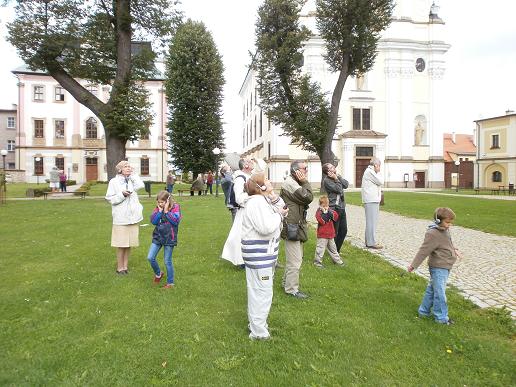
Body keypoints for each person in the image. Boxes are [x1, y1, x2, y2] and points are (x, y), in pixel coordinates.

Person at [241, 172, 288, 340]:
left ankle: (257, 326)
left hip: (261, 256)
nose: (270, 181)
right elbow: (267, 227)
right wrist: (279, 215)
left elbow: (281, 208)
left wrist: (273, 197)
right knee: (262, 294)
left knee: (258, 292)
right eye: (267, 180)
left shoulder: (262, 201)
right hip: (260, 257)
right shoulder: (257, 203)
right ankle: (259, 332)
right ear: (259, 186)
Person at [408, 207, 462, 325]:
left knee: (432, 290)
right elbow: (424, 251)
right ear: (438, 221)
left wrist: (454, 249)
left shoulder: (444, 229)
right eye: (447, 222)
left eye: (451, 222)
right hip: (439, 267)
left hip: (445, 266)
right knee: (440, 293)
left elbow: (446, 243)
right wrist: (414, 265)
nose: (450, 225)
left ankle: (423, 311)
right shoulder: (433, 233)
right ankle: (441, 318)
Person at [280, 160, 313, 299]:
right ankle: (291, 289)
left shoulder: (294, 182)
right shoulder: (291, 184)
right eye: (304, 168)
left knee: (294, 258)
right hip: (292, 225)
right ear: (296, 171)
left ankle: (285, 283)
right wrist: (305, 182)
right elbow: (308, 197)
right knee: (295, 261)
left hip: (295, 224)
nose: (306, 170)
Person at [105, 160, 144, 274]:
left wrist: (133, 175)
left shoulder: (132, 180)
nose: (128, 168)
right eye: (126, 166)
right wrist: (122, 194)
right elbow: (110, 198)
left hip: (133, 217)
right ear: (120, 169)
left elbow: (140, 185)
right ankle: (120, 268)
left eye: (129, 166)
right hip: (121, 218)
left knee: (129, 244)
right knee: (121, 244)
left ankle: (125, 267)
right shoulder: (114, 182)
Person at [221, 158, 255, 267]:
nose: (252, 162)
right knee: (241, 236)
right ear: (245, 165)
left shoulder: (250, 176)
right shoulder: (240, 179)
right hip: (245, 212)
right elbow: (239, 198)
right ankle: (242, 261)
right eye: (250, 161)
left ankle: (251, 258)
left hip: (252, 211)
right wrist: (254, 195)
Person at [147, 191, 182, 289]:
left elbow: (176, 221)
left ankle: (170, 283)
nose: (160, 204)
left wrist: (166, 211)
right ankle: (159, 273)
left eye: (162, 202)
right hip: (158, 236)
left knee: (167, 261)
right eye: (158, 202)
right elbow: (153, 221)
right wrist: (159, 211)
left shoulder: (175, 207)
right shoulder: (158, 208)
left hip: (169, 237)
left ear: (167, 200)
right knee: (150, 257)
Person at [322, 163, 349, 253]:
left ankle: (336, 250)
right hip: (334, 208)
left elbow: (346, 185)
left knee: (344, 230)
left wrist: (338, 178)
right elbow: (339, 189)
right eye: (331, 167)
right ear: (328, 171)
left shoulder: (337, 176)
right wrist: (336, 179)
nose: (334, 168)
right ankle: (333, 252)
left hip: (341, 207)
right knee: (335, 231)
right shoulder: (326, 181)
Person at [314, 195, 345, 268]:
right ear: (320, 205)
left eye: (327, 205)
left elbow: (336, 217)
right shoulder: (319, 212)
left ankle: (338, 261)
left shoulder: (330, 211)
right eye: (323, 205)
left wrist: (330, 213)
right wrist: (324, 213)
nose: (325, 207)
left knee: (333, 249)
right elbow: (321, 221)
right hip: (322, 235)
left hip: (330, 234)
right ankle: (317, 263)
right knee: (320, 249)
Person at [361, 157, 384, 249]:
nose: (379, 168)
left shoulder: (370, 171)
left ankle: (369, 241)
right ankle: (371, 242)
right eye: (379, 166)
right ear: (376, 165)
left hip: (372, 199)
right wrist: (378, 172)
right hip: (371, 199)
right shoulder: (370, 172)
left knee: (371, 221)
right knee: (372, 222)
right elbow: (380, 181)